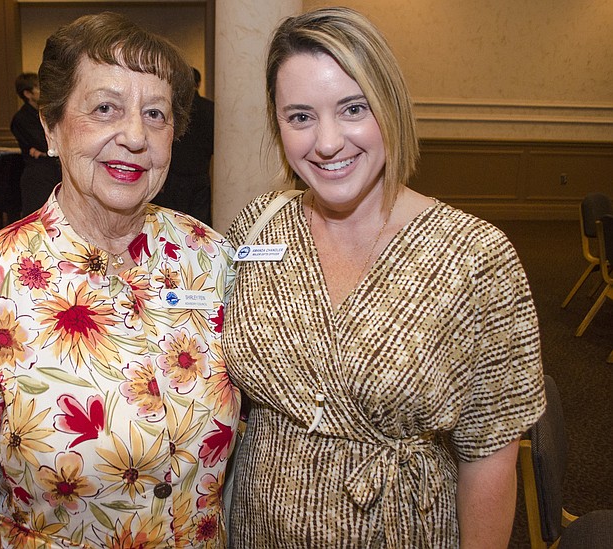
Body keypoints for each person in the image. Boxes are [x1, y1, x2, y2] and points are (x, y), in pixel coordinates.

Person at [222, 7, 545, 548]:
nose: (327, 142)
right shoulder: (258, 226)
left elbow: (490, 455)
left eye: (353, 109)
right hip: (258, 528)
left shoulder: (475, 257)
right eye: (300, 117)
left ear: (390, 106)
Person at [0, 12, 241, 548]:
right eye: (105, 108)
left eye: (156, 114)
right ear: (51, 127)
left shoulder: (211, 259)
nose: (136, 136)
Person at [152, 68, 214, 225]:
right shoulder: (210, 108)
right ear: (198, 84)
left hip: (175, 175)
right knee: (199, 224)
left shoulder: (175, 109)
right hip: (200, 174)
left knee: (172, 221)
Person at [10, 72, 62, 216]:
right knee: (40, 219)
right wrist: (48, 149)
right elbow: (44, 142)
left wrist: (46, 151)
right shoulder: (21, 118)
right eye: (39, 88)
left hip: (55, 172)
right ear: (27, 94)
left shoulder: (48, 113)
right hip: (38, 177)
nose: (44, 91)